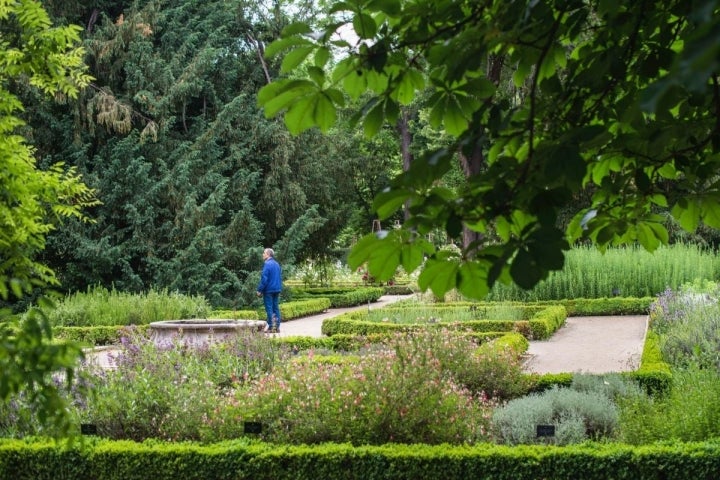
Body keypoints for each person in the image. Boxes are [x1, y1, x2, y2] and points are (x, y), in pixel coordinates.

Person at [256, 247, 282, 333]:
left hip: (269, 290)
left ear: (268, 254)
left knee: (269, 308)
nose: (263, 254)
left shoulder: (267, 264)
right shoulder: (277, 264)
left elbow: (264, 279)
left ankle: (271, 327)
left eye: (264, 253)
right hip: (277, 289)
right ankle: (277, 327)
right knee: (276, 308)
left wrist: (259, 290)